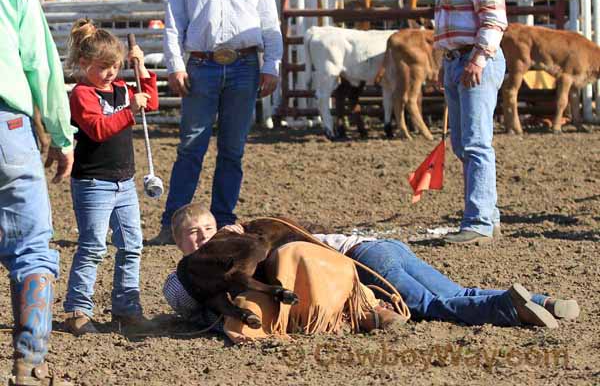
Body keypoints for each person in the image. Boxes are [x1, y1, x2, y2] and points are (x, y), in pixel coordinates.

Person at [162, 204, 580, 332]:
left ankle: (512, 310)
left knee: (433, 306)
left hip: (364, 262)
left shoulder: (230, 250)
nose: (200, 238)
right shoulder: (245, 236)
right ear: (178, 243)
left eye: (206, 229)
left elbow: (190, 301)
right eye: (191, 234)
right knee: (455, 291)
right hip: (376, 246)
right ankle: (544, 302)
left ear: (219, 227)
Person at [150, 0, 283, 245]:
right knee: (191, 147)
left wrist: (271, 64)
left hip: (241, 64)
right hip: (205, 63)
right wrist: (175, 65)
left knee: (232, 149)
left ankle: (221, 223)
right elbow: (174, 19)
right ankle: (174, 224)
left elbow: (269, 21)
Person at [61, 19, 159, 336]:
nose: (111, 73)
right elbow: (98, 129)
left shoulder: (120, 89)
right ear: (84, 64)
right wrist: (131, 109)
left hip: (124, 181)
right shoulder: (82, 94)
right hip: (94, 182)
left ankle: (126, 309)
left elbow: (151, 101)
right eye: (104, 67)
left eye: (115, 66)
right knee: (92, 247)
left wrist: (141, 68)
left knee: (132, 246)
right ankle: (78, 309)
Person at [0, 0, 77, 384]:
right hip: (6, 127)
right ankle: (30, 364)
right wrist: (62, 137)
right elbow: (41, 64)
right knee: (30, 247)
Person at [435, 0, 507, 244]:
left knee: (475, 144)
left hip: (474, 59)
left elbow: (494, 18)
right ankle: (488, 217)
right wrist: (447, 61)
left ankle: (479, 222)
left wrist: (478, 58)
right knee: (464, 145)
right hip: (459, 58)